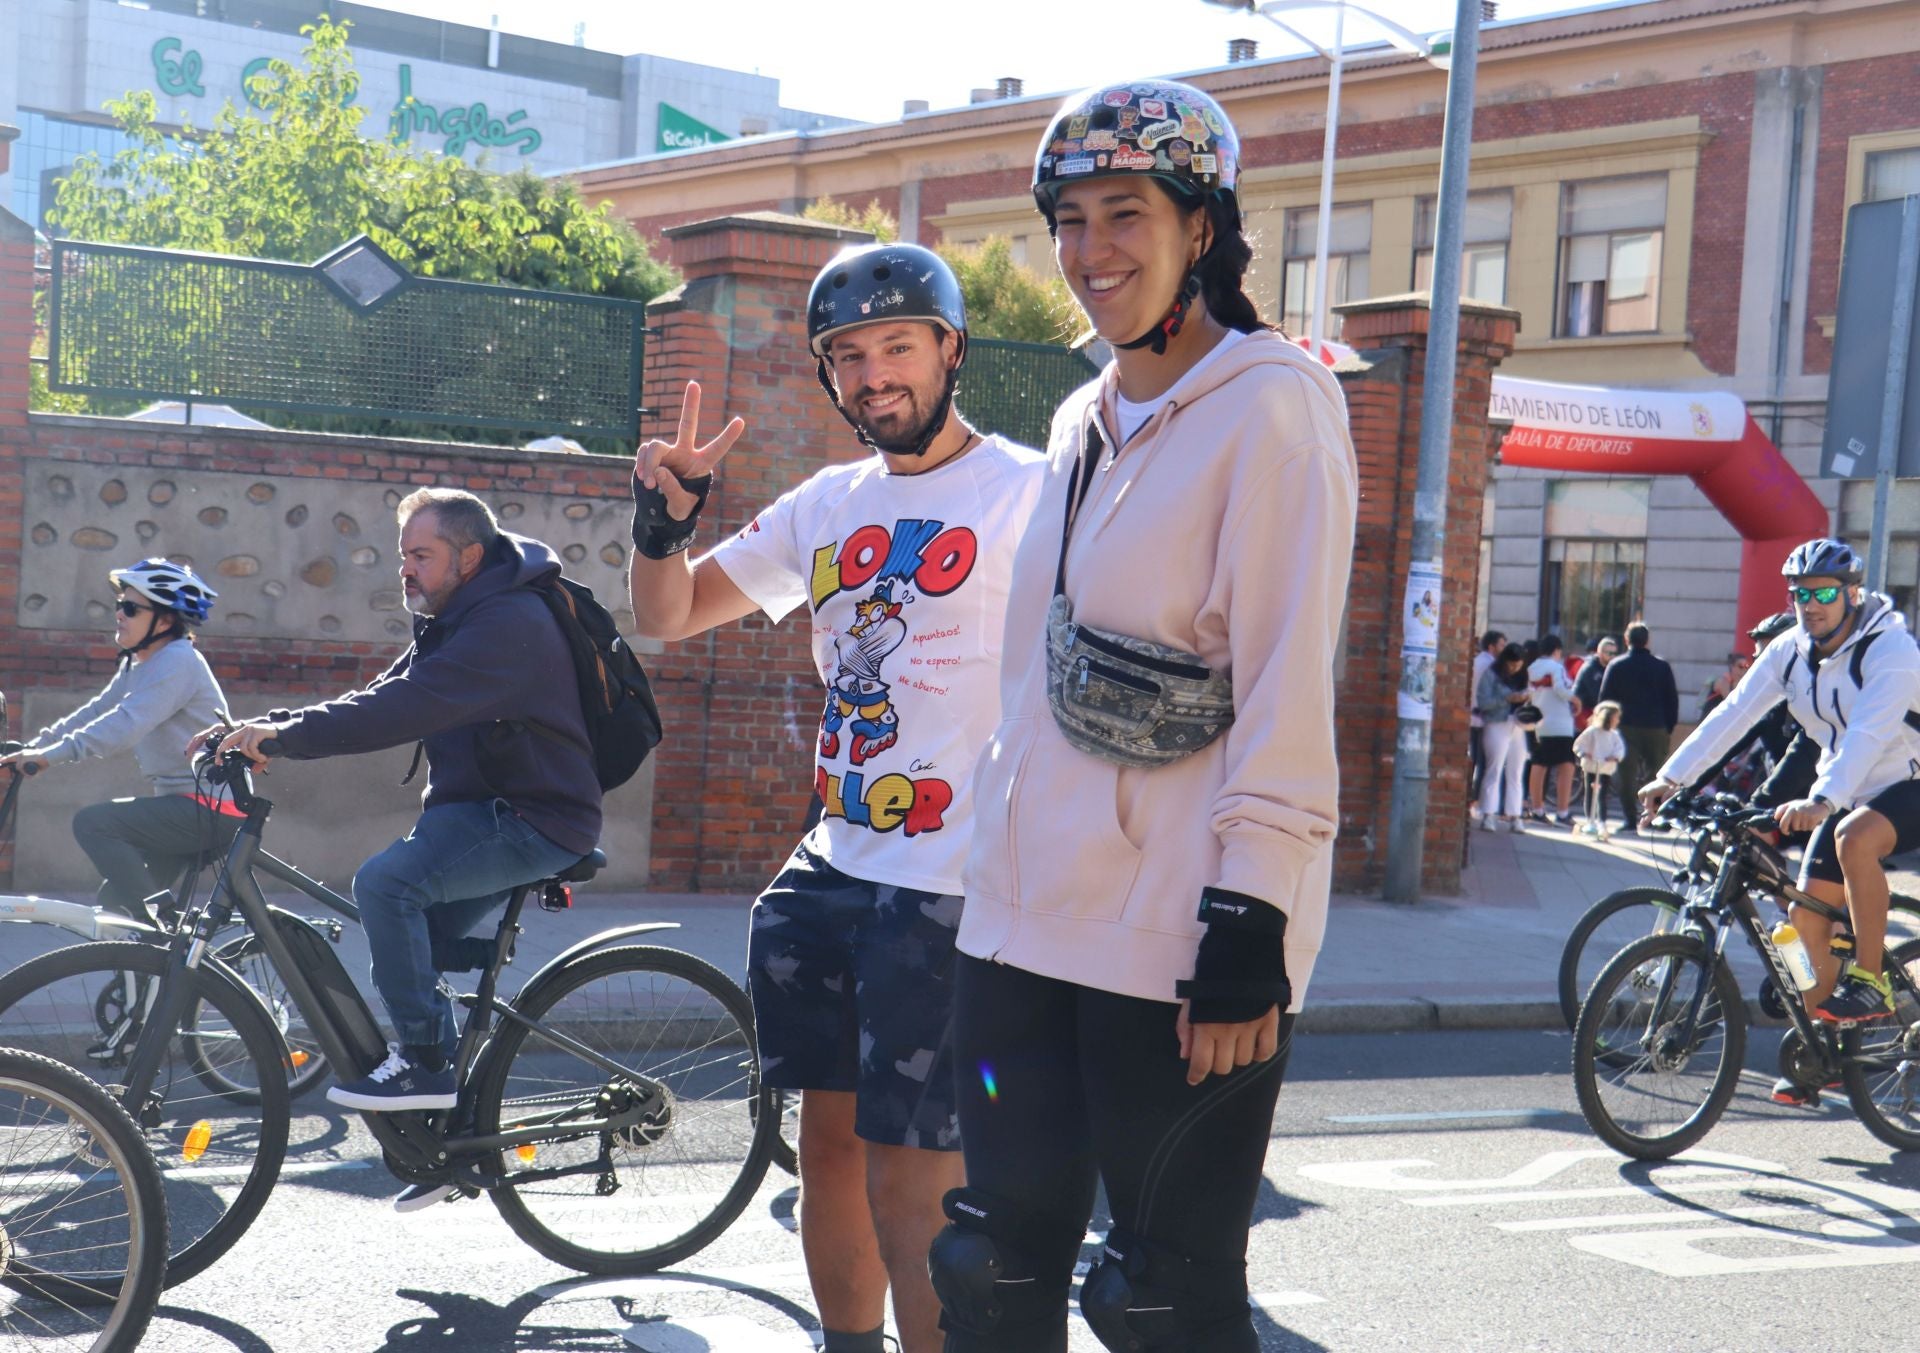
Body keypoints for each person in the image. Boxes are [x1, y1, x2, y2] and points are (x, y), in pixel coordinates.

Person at [929, 79, 1357, 1353]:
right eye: (1068, 218)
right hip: (1018, 920)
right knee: (991, 1274)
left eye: (1126, 212)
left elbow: (1288, 676)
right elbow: (1028, 674)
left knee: (1162, 1298)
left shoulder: (1276, 408)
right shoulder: (1080, 417)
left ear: (1203, 229)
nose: (1089, 250)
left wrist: (1252, 916)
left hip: (1180, 936)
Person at [626, 242, 1044, 1353]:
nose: (873, 376)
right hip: (831, 869)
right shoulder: (828, 504)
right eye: (848, 355)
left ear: (950, 350)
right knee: (830, 1157)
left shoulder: (1028, 493)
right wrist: (663, 523)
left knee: (921, 1191)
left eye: (896, 347)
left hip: (949, 886)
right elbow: (669, 616)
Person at [202, 489, 600, 1135]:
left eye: (422, 553)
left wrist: (284, 739)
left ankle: (426, 1064)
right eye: (402, 555)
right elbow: (381, 693)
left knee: (386, 885)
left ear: (469, 557)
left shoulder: (506, 624)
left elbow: (403, 709)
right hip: (476, 811)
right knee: (411, 943)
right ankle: (446, 1138)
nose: (405, 569)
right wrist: (260, 727)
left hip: (532, 817)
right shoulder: (460, 615)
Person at [1640, 539, 1920, 1099]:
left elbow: (1867, 733)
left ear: (1851, 594)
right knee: (1801, 918)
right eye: (1799, 594)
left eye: (1822, 593)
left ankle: (1869, 980)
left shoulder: (1892, 650)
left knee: (1852, 835)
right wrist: (1673, 777)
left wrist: (1823, 798)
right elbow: (1735, 711)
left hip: (1906, 781)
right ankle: (1826, 1056)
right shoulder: (1790, 650)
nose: (1809, 604)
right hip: (1845, 792)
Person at [0, 559, 236, 926]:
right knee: (119, 901)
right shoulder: (141, 664)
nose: (119, 614)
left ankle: (169, 928)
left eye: (130, 608)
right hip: (185, 805)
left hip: (213, 809)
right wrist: (32, 747)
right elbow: (95, 712)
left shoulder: (179, 661)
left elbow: (124, 725)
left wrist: (48, 757)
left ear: (165, 620)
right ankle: (160, 967)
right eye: (119, 605)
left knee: (95, 824)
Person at [1597, 622, 1678, 835]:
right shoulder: (1662, 667)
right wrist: (1668, 726)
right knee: (1658, 775)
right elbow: (1672, 700)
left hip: (1626, 727)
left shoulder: (1616, 665)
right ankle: (1654, 817)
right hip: (1656, 726)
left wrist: (1607, 727)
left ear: (1626, 640)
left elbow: (1605, 699)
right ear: (1647, 641)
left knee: (1626, 775)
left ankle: (1629, 818)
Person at [1475, 643, 1533, 834]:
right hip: (1496, 722)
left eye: (1518, 665)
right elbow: (1483, 702)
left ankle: (1515, 815)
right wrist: (1507, 699)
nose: (1514, 668)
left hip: (1517, 724)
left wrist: (1526, 698)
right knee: (1494, 769)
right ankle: (1488, 813)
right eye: (1511, 665)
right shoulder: (1491, 674)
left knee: (1516, 772)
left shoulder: (1523, 676)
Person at [1524, 635, 1579, 824]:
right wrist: (1575, 699)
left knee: (1539, 764)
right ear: (1557, 650)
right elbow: (1561, 689)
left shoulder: (1531, 669)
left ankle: (1537, 809)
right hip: (1561, 724)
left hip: (1539, 722)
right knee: (1566, 766)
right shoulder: (1557, 667)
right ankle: (1562, 812)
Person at [1573, 701, 1625, 841]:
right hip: (1591, 766)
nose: (1618, 721)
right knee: (1590, 793)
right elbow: (1578, 745)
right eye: (1616, 718)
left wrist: (1615, 757)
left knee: (1602, 795)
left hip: (1605, 768)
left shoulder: (1614, 734)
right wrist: (1583, 753)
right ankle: (1590, 819)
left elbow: (1619, 749)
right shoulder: (1592, 732)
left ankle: (1601, 821)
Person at [1469, 629, 1505, 806]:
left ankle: (1472, 799)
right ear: (1492, 646)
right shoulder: (1492, 665)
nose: (1503, 649)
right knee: (1485, 763)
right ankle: (1478, 800)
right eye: (1501, 645)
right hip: (1485, 717)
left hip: (1473, 715)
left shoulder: (1476, 661)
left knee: (1475, 759)